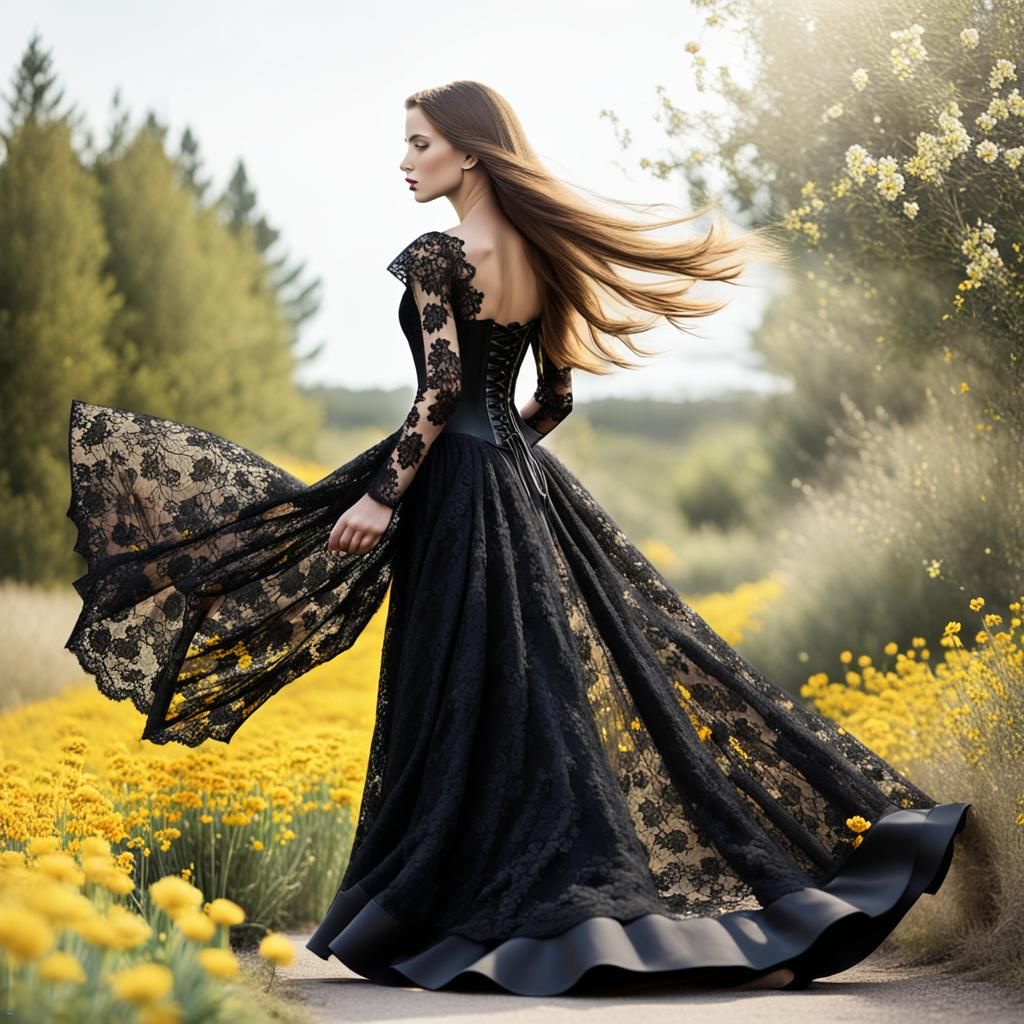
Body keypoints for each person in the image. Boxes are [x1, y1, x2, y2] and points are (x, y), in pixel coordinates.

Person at [64, 80, 970, 998]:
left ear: (468, 153)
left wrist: (386, 495)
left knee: (459, 688)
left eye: (418, 143)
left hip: (458, 491)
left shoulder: (435, 254)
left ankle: (445, 906)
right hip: (520, 484)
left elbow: (439, 393)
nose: (404, 160)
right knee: (539, 682)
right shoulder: (543, 253)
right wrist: (499, 462)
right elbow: (555, 400)